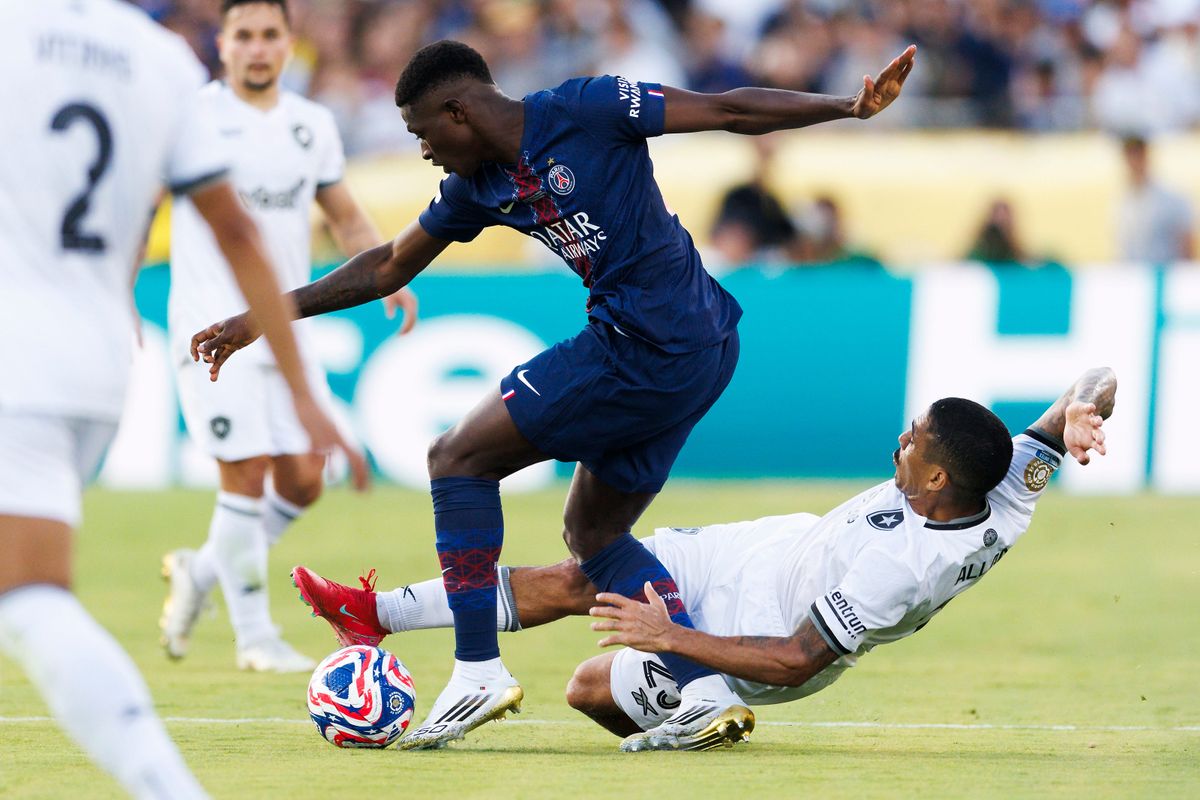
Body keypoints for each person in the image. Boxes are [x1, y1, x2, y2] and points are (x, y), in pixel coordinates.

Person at [192, 39, 918, 751]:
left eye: (421, 133)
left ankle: (477, 671)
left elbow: (727, 107)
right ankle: (699, 694)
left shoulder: (590, 107)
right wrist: (264, 314)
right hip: (704, 347)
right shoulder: (476, 187)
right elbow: (386, 265)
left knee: (457, 458)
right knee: (596, 536)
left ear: (457, 112)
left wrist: (847, 106)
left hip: (644, 344)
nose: (423, 151)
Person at [293, 367, 1116, 751]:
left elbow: (797, 659)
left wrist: (671, 636)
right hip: (756, 552)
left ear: (936, 477)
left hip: (753, 632)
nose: (899, 443)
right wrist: (1083, 408)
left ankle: (708, 710)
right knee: (587, 572)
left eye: (913, 442)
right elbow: (1096, 380)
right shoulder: (1006, 490)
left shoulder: (902, 569)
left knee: (588, 689)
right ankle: (377, 613)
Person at [0, 1, 364, 797]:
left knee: (27, 603)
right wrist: (309, 392)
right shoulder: (160, 62)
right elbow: (232, 231)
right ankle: (218, 591)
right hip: (92, 358)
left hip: (20, 349)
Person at [159, 0, 417, 675]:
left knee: (304, 477)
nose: (256, 48)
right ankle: (254, 639)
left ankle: (203, 570)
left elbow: (346, 217)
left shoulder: (312, 126)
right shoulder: (195, 120)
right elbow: (143, 208)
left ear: (288, 43)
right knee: (244, 472)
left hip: (282, 330)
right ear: (223, 44)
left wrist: (390, 274)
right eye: (243, 35)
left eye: (269, 35)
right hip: (210, 325)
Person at [1115, 136, 1194, 264]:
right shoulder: (1123, 202)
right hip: (1134, 278)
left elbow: (1186, 245)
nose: (1134, 162)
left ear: (1146, 156)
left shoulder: (1172, 199)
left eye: (1138, 155)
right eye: (1130, 157)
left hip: (1165, 277)